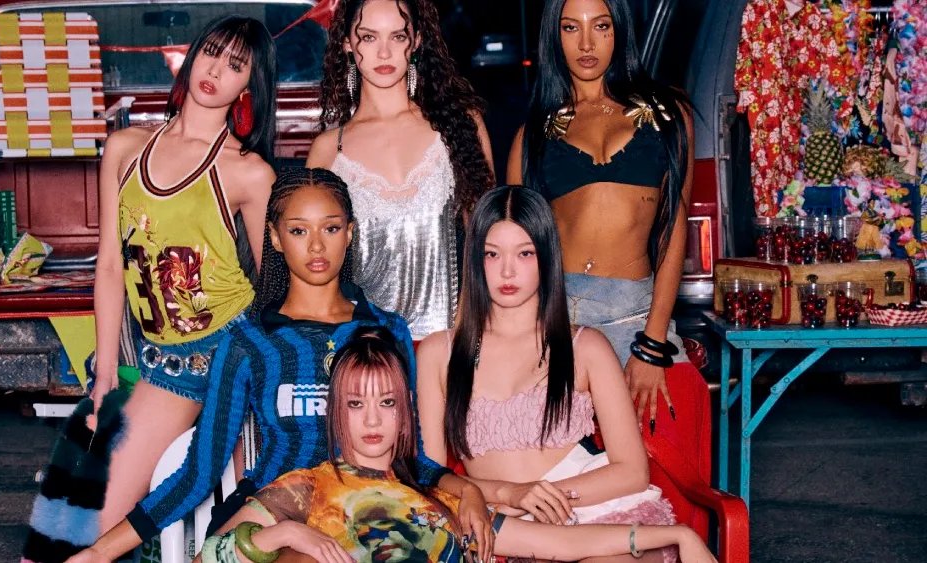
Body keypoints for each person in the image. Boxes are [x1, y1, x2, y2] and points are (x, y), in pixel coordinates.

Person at [66, 168, 492, 562]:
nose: (316, 246)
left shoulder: (386, 331)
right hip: (277, 520)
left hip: (370, 516)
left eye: (331, 228)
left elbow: (411, 457)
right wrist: (101, 552)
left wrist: (466, 490)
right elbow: (198, 474)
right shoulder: (250, 342)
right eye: (298, 230)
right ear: (274, 236)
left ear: (350, 233)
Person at [23, 15, 277, 562]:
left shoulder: (249, 172)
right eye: (211, 52)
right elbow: (110, 266)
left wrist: (260, 381)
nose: (216, 70)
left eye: (236, 65)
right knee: (69, 502)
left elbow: (273, 289)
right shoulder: (124, 146)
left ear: (248, 87)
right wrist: (105, 373)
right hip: (152, 355)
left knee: (92, 521)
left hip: (217, 353)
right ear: (192, 55)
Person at [202, 326, 716, 563]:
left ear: (406, 412)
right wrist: (289, 535)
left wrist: (676, 535)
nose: (372, 420)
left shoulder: (443, 496)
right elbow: (208, 557)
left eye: (387, 402)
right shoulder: (309, 487)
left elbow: (558, 544)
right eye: (356, 404)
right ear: (336, 411)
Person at [419, 186, 679, 563]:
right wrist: (511, 494)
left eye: (525, 253)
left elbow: (632, 471)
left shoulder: (585, 347)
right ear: (474, 259)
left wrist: (541, 498)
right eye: (492, 254)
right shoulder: (439, 353)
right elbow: (431, 477)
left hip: (598, 511)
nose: (507, 270)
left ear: (546, 257)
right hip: (507, 526)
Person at [507, 0, 695, 432]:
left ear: (620, 30)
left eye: (601, 26)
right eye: (571, 28)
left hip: (638, 315)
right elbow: (516, 254)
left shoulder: (668, 116)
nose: (587, 43)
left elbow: (672, 230)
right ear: (554, 36)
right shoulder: (532, 137)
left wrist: (652, 344)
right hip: (561, 323)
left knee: (671, 437)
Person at [306, 0, 495, 340]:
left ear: (417, 41)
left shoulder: (460, 127)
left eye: (397, 36)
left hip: (450, 342)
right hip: (363, 349)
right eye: (368, 37)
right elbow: (312, 261)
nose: (384, 52)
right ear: (347, 43)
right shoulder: (329, 149)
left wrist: (465, 335)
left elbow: (487, 239)